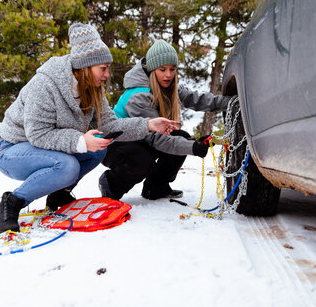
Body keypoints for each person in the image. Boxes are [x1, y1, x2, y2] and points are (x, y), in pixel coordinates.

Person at [0, 24, 180, 233]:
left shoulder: (93, 89)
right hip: (12, 149)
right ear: (85, 67)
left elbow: (110, 124)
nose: (107, 74)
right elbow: (38, 134)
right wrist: (80, 141)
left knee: (97, 150)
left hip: (42, 147)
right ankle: (13, 201)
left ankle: (59, 194)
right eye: (103, 68)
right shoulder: (45, 84)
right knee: (67, 166)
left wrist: (148, 124)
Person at [99, 39, 231, 201]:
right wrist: (194, 147)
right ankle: (110, 185)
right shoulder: (139, 96)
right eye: (162, 69)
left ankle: (156, 187)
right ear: (153, 70)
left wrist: (230, 103)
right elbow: (157, 139)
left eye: (172, 69)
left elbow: (197, 99)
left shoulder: (168, 86)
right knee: (142, 161)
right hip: (114, 144)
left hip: (140, 140)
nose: (168, 74)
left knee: (180, 137)